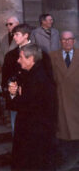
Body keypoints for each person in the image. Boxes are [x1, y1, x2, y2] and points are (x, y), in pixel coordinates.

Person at [8, 43, 56, 170]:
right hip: (33, 132)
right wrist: (15, 94)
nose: (18, 60)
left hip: (33, 135)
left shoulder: (38, 78)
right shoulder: (31, 74)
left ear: (31, 59)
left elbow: (26, 105)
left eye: (21, 57)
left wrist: (15, 95)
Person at [50, 31, 79, 171]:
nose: (67, 42)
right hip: (60, 98)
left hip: (76, 98)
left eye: (70, 39)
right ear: (60, 41)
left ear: (74, 41)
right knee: (63, 132)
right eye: (64, 39)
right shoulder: (52, 56)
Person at [1, 24, 31, 133]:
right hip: (16, 101)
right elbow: (5, 78)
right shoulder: (10, 55)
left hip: (34, 102)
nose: (14, 37)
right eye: (13, 35)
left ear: (26, 35)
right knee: (17, 132)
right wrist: (9, 88)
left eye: (17, 34)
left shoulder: (40, 53)